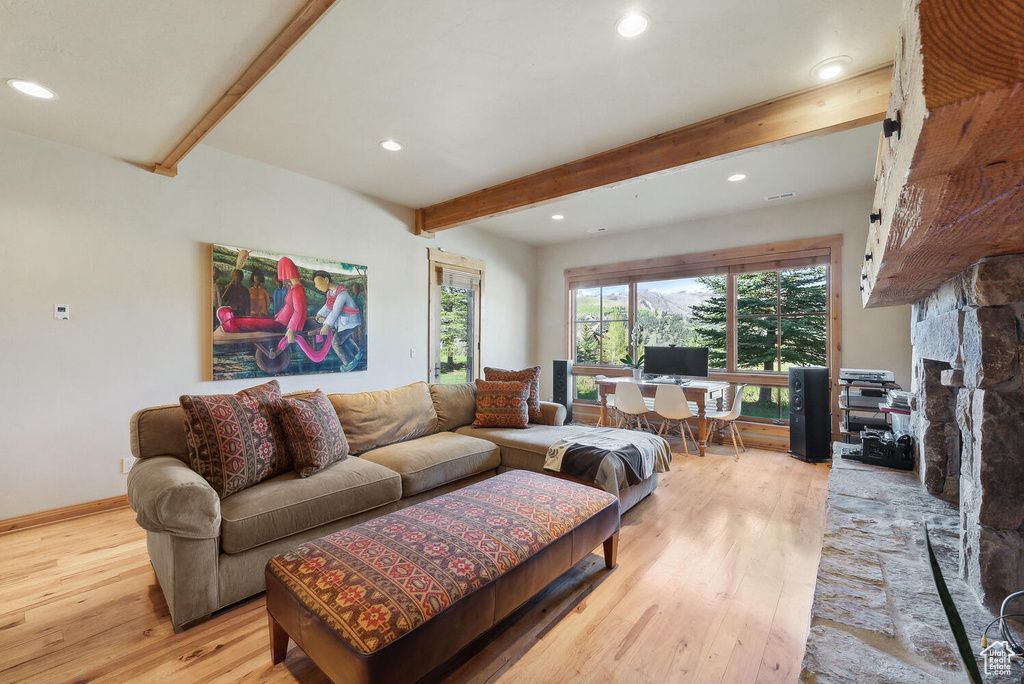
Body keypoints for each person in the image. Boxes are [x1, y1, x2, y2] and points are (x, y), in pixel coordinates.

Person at [312, 270, 362, 371]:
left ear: (326, 280)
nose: (316, 286)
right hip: (344, 322)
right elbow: (328, 305)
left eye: (317, 283)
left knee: (336, 342)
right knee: (345, 339)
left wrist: (326, 325)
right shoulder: (331, 293)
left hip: (350, 322)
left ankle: (349, 362)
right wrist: (320, 314)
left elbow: (335, 311)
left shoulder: (342, 294)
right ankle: (358, 353)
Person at [274, 258, 307, 344]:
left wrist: (290, 329)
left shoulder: (297, 289)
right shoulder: (294, 288)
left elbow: (298, 311)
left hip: (285, 324)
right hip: (282, 321)